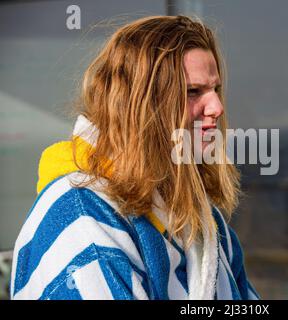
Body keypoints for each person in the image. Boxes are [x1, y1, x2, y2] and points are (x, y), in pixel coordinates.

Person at [10, 15, 260, 300]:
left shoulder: (209, 228)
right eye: (193, 91)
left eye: (216, 89)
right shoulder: (80, 220)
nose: (216, 106)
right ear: (140, 106)